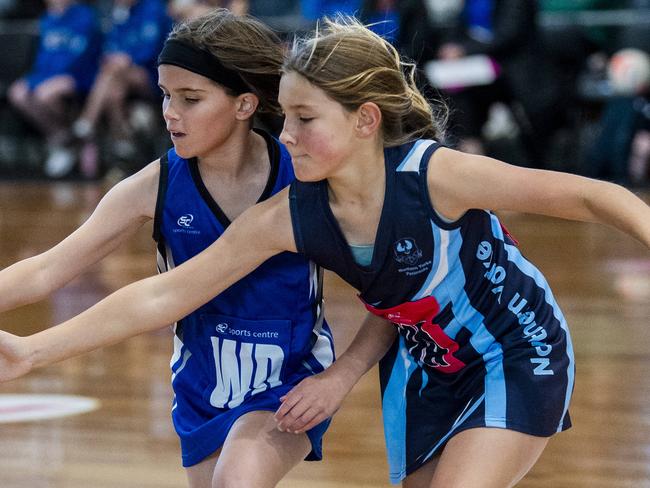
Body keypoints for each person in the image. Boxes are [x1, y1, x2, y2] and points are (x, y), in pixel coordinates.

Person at [1, 16, 650, 487]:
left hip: (514, 347)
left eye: (304, 119)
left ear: (364, 120)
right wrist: (33, 351)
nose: (288, 136)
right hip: (422, 366)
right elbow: (166, 292)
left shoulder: (434, 176)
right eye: (285, 118)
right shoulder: (290, 213)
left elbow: (596, 197)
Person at [0, 9, 334, 488]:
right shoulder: (153, 187)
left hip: (290, 376)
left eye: (190, 99)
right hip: (202, 382)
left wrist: (339, 377)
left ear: (244, 104)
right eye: (164, 95)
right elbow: (45, 270)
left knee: (237, 480)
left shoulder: (303, 176)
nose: (169, 112)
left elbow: (383, 290)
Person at [71, 0, 172, 178]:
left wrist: (126, 58)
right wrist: (116, 58)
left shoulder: (153, 8)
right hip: (121, 76)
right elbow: (109, 46)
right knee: (114, 91)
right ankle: (122, 141)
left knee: (111, 73)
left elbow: (151, 48)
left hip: (153, 74)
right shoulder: (119, 13)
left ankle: (88, 121)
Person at [7, 0, 101, 177]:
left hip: (78, 76)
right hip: (48, 77)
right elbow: (43, 60)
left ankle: (75, 141)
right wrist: (35, 81)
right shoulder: (47, 19)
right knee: (17, 93)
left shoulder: (85, 16)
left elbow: (82, 57)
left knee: (47, 95)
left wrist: (56, 78)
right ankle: (63, 138)